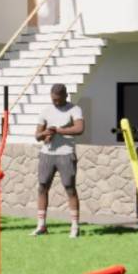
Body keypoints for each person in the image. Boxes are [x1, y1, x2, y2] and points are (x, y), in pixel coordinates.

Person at [32, 83, 85, 237]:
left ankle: (75, 227)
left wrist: (59, 131)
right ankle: (41, 225)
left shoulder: (75, 109)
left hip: (66, 153)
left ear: (65, 96)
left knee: (69, 188)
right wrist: (45, 134)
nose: (55, 102)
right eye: (53, 99)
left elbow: (79, 129)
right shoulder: (46, 111)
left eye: (58, 99)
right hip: (47, 153)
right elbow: (37, 135)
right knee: (42, 187)